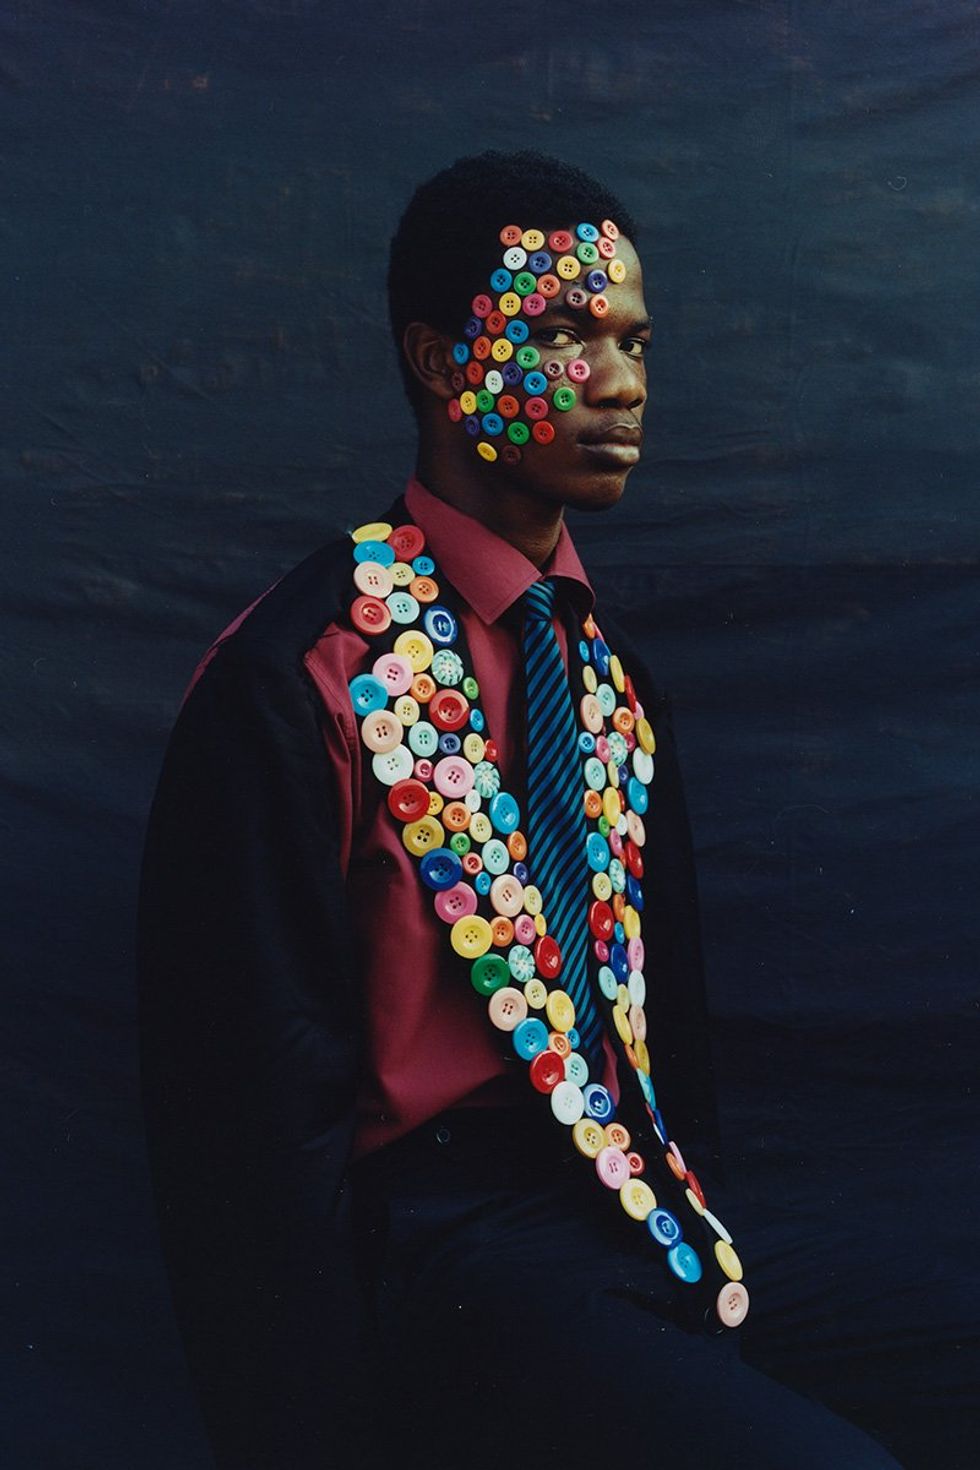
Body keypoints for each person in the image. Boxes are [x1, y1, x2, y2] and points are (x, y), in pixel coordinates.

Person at [138, 150, 904, 1470]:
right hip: (447, 1249)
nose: (624, 383)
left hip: (640, 1203)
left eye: (635, 340)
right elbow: (246, 1146)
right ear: (442, 365)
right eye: (563, 335)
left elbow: (669, 1041)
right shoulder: (306, 674)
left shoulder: (607, 677)